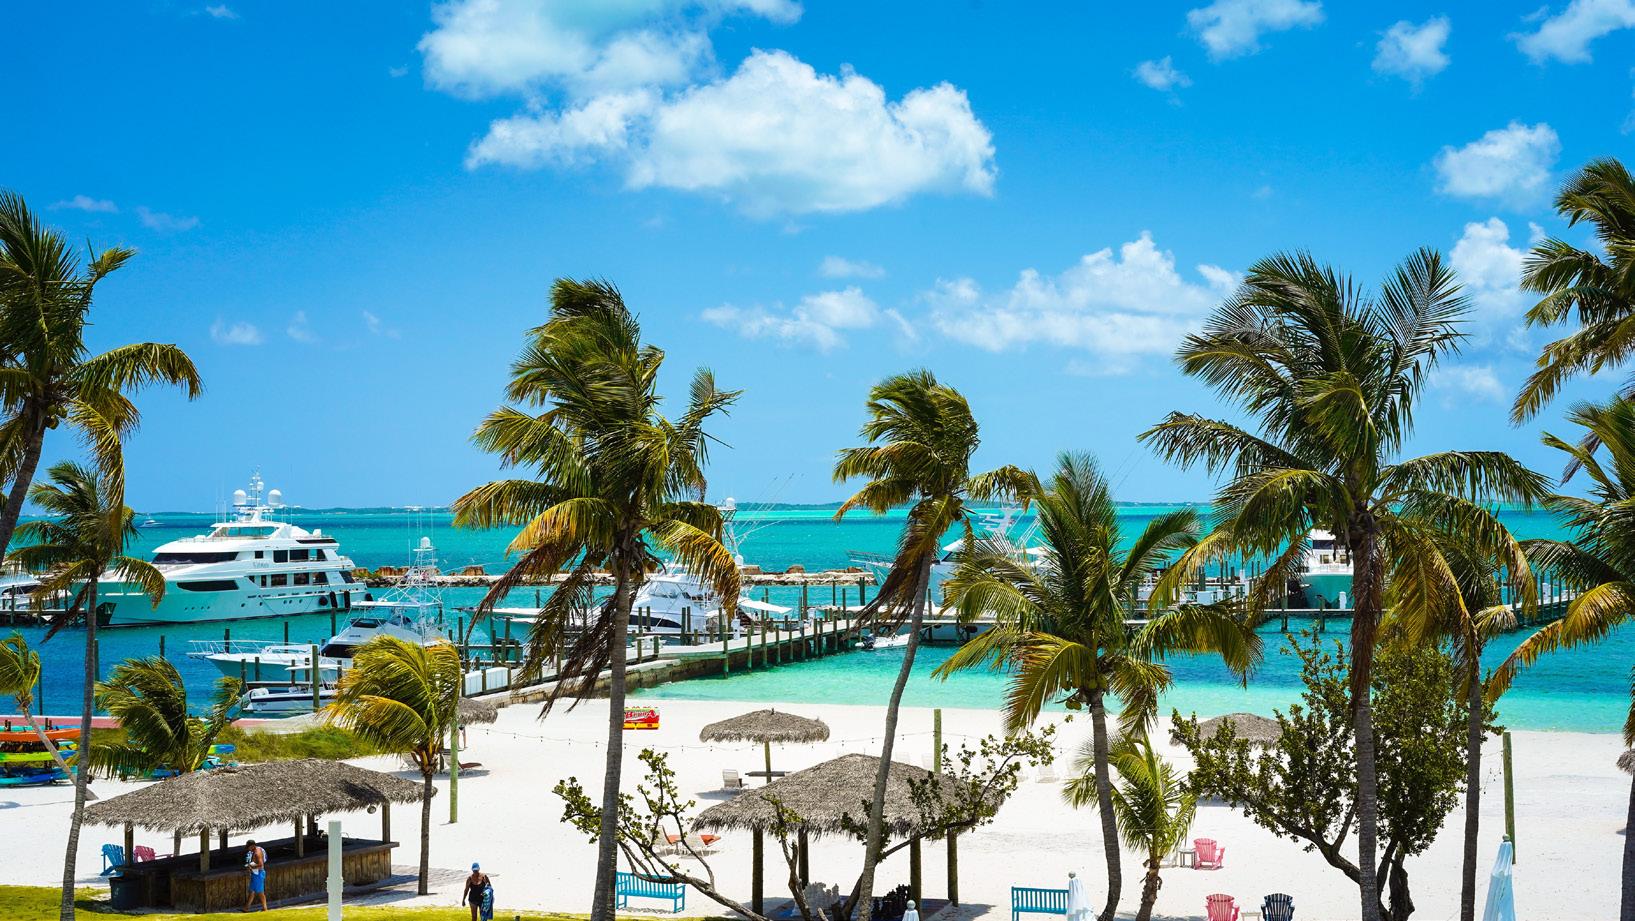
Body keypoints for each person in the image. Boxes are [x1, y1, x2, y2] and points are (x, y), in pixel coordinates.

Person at [241, 839, 268, 912]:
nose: (248, 849)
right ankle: (246, 908)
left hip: (258, 874)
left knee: (260, 892)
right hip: (256, 874)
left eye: (248, 847)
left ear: (252, 846)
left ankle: (265, 908)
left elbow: (261, 864)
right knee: (252, 891)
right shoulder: (257, 849)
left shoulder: (257, 853)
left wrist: (251, 866)